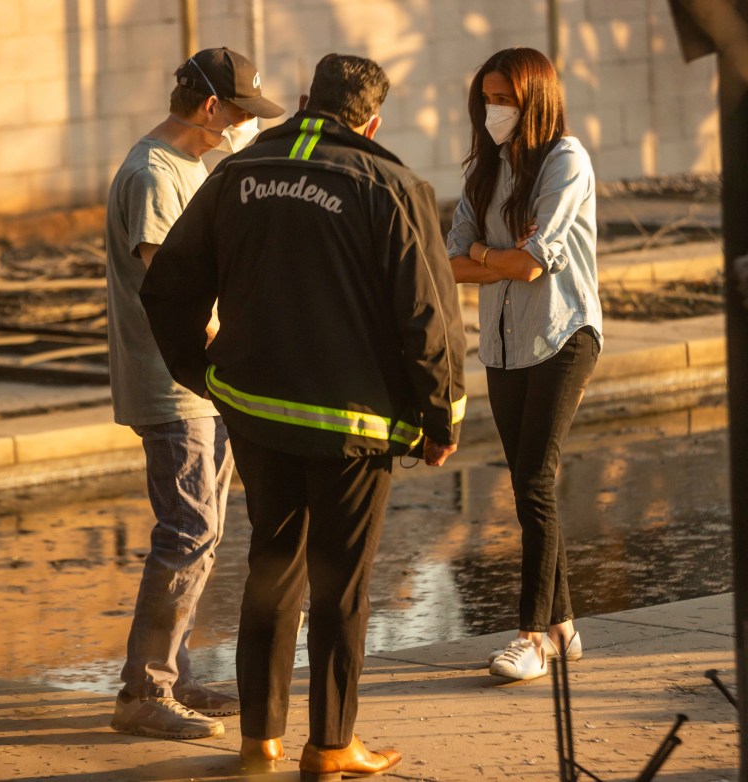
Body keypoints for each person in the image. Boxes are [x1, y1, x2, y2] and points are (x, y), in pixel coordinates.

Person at [140, 53, 466, 778]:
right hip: (356, 426)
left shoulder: (235, 174)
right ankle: (330, 746)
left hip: (257, 413)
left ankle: (260, 741)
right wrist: (441, 417)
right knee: (340, 584)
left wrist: (203, 372)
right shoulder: (394, 185)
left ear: (299, 102)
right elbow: (428, 319)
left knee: (272, 569)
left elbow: (167, 287)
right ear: (373, 121)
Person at [105, 46, 284, 740]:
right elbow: (174, 293)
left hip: (205, 385)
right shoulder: (154, 175)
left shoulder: (190, 167)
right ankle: (143, 691)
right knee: (188, 531)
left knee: (202, 535)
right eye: (240, 115)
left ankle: (172, 674)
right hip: (173, 382)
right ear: (211, 108)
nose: (244, 126)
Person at [447, 47, 603, 682]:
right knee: (525, 483)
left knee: (535, 480)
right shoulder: (484, 173)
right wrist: (496, 254)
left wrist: (491, 254)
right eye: (487, 98)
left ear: (534, 98)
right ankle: (564, 627)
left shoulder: (566, 160)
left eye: (505, 98)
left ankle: (532, 637)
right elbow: (449, 261)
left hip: (564, 334)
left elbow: (535, 263)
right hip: (505, 344)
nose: (494, 111)